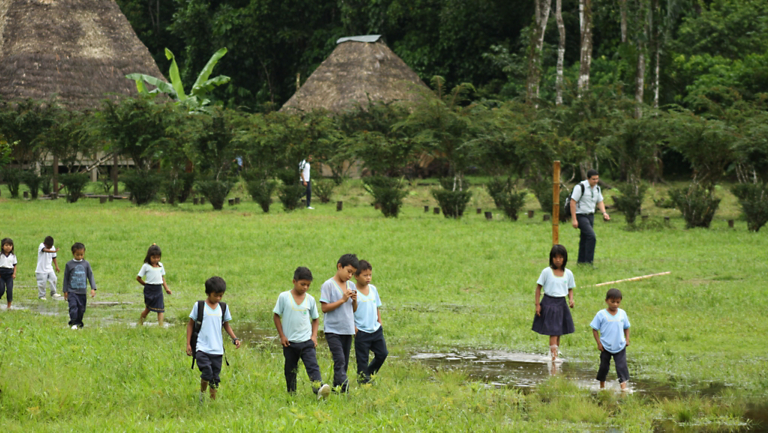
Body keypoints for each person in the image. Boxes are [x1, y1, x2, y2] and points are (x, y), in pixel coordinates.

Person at [273, 267, 332, 399]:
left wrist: (314, 337)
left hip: (307, 342)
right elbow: (276, 316)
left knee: (313, 367)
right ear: (294, 281)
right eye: (302, 284)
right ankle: (291, 394)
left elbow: (315, 319)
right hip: (289, 343)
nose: (305, 287)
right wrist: (282, 336)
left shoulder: (310, 299)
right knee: (290, 370)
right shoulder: (284, 297)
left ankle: (319, 390)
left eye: (308, 285)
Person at [186, 276, 241, 402]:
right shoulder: (199, 306)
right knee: (207, 372)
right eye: (216, 295)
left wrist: (235, 338)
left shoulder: (223, 307)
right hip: (202, 348)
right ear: (208, 293)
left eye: (221, 295)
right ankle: (202, 395)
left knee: (215, 378)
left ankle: (212, 402)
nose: (218, 298)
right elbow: (190, 325)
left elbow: (226, 325)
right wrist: (188, 344)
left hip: (217, 350)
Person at [320, 253, 359, 393]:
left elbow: (353, 309)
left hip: (347, 330)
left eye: (352, 273)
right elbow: (324, 308)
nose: (350, 275)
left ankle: (337, 390)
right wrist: (342, 300)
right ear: (339, 266)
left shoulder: (351, 285)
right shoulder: (328, 285)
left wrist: (354, 301)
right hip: (333, 330)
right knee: (340, 360)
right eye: (348, 271)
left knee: (344, 363)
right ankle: (345, 390)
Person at [532, 244, 576, 362]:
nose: (558, 260)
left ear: (565, 259)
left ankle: (554, 353)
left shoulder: (568, 273)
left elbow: (570, 288)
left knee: (559, 331)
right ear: (551, 258)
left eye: (561, 257)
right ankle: (554, 357)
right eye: (555, 257)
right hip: (549, 303)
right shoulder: (546, 272)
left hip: (561, 304)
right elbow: (538, 288)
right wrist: (537, 304)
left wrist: (571, 299)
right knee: (554, 331)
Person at [353, 260, 388, 385]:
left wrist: (380, 321)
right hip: (361, 331)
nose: (368, 278)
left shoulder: (373, 289)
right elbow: (348, 311)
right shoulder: (353, 292)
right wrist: (353, 327)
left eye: (370, 275)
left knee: (382, 353)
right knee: (362, 359)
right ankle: (363, 382)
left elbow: (376, 306)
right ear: (356, 276)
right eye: (365, 275)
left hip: (375, 329)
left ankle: (368, 374)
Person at [590, 288, 631, 390]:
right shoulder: (601, 314)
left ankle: (623, 388)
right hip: (605, 346)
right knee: (604, 367)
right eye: (612, 302)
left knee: (621, 367)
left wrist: (627, 339)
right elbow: (594, 329)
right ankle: (602, 387)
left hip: (620, 345)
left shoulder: (622, 313)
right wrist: (599, 343)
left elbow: (626, 327)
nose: (615, 304)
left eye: (618, 302)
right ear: (606, 301)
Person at [570, 169, 610, 265]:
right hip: (580, 215)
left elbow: (600, 201)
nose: (596, 181)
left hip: (590, 216)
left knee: (584, 238)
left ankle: (581, 262)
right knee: (591, 236)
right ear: (588, 178)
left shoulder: (597, 188)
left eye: (597, 179)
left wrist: (604, 213)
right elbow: (572, 202)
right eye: (593, 179)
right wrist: (574, 219)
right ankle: (589, 262)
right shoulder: (580, 187)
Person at [62, 243, 96, 330]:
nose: (80, 256)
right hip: (72, 291)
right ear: (73, 253)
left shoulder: (86, 264)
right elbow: (66, 278)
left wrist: (93, 288)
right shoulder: (69, 264)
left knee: (81, 309)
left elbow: (90, 276)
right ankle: (73, 322)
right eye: (77, 255)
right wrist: (65, 291)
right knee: (73, 307)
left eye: (82, 254)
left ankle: (79, 323)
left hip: (82, 292)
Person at [137, 244, 172, 326]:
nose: (156, 259)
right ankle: (140, 323)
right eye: (154, 258)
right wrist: (145, 284)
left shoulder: (160, 265)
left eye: (158, 257)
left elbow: (162, 278)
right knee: (148, 308)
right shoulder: (146, 266)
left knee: (160, 309)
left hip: (158, 289)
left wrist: (166, 288)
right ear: (149, 257)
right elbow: (138, 278)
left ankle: (161, 326)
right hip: (149, 290)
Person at [35, 236, 61, 301]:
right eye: (48, 247)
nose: (50, 248)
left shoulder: (52, 248)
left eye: (51, 247)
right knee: (42, 283)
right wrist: (53, 251)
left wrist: (56, 266)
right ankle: (42, 295)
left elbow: (54, 257)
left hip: (49, 268)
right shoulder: (41, 246)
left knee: (54, 279)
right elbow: (45, 250)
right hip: (41, 269)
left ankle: (53, 293)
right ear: (45, 244)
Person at [0, 238, 18, 310]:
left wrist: (14, 274)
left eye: (10, 245)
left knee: (10, 289)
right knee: (1, 289)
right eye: (6, 245)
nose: (8, 247)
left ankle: (9, 306)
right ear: (2, 246)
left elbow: (15, 265)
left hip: (9, 274)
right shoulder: (0, 255)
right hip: (1, 274)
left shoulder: (13, 256)